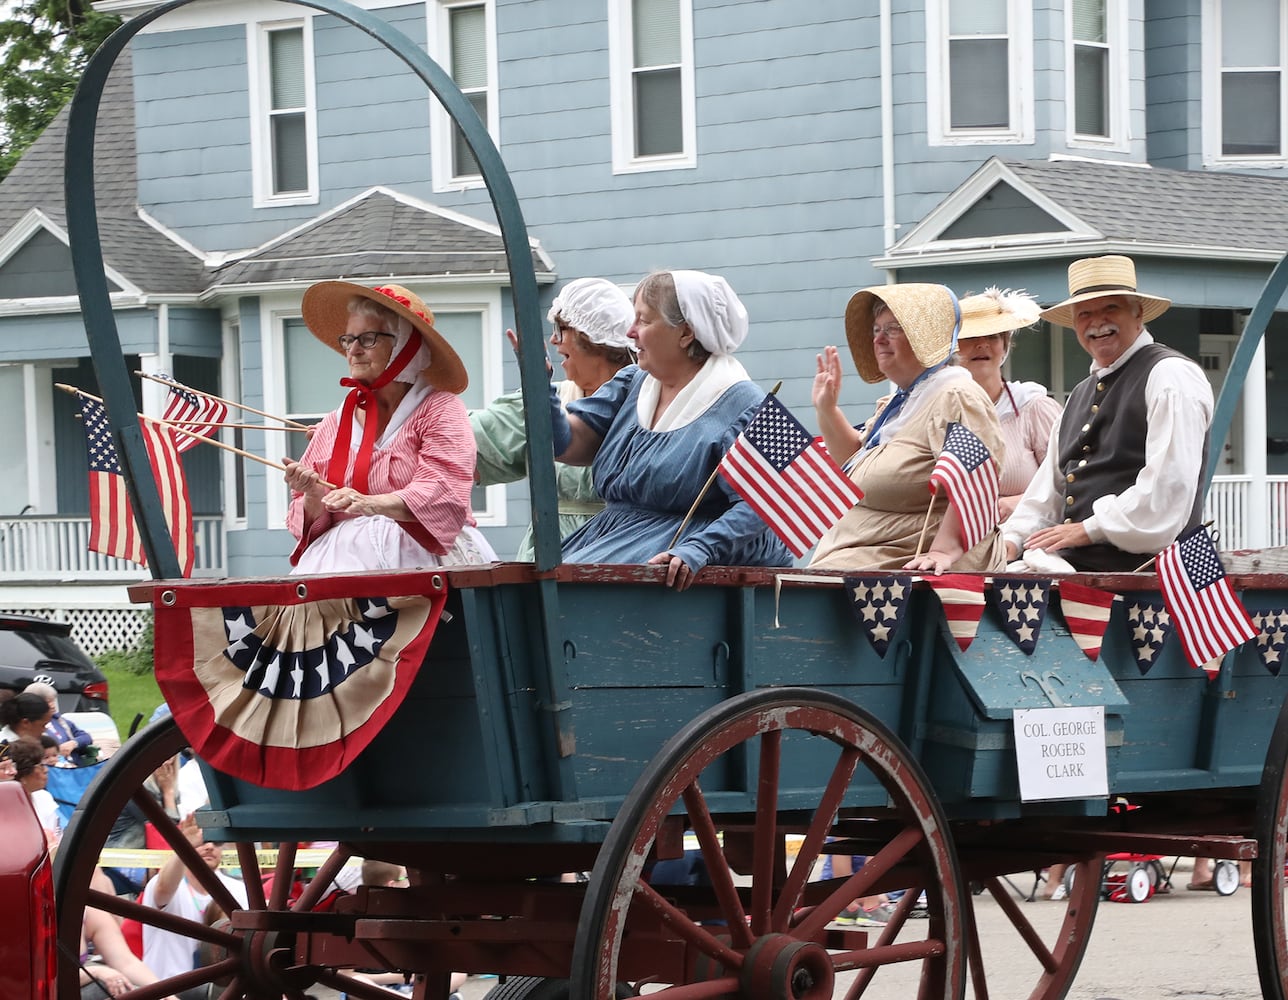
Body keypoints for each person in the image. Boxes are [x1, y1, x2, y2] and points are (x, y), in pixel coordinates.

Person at [553, 270, 792, 589]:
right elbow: (568, 442)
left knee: (567, 595)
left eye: (644, 320)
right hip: (613, 537)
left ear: (686, 333)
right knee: (543, 584)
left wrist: (702, 547)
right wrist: (540, 395)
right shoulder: (632, 384)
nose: (630, 332)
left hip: (680, 556)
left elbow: (775, 499)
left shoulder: (748, 403)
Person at [1003, 255, 1214, 572]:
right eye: (1085, 313)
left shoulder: (1170, 375)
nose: (1097, 322)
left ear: (1138, 314)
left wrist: (1087, 529)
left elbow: (1168, 489)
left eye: (1110, 308)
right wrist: (1012, 541)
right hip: (1082, 571)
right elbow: (1048, 494)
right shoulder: (1079, 394)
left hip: (1148, 580)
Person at [283, 281, 496, 573]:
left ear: (404, 346)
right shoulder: (334, 424)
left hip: (423, 561)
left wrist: (372, 503)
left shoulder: (440, 410)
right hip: (338, 564)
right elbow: (303, 519)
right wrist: (312, 495)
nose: (353, 350)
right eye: (348, 339)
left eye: (367, 338)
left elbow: (444, 491)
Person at [808, 283, 1006, 574]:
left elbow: (976, 473)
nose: (879, 340)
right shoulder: (899, 404)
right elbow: (853, 466)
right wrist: (827, 410)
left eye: (893, 329)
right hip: (860, 561)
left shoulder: (955, 395)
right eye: (876, 330)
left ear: (925, 336)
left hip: (905, 573)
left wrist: (943, 550)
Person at [471, 277, 635, 558]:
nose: (553, 339)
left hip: (617, 553)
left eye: (561, 329)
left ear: (590, 337)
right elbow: (470, 440)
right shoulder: (543, 401)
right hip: (547, 556)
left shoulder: (647, 405)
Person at [956, 288, 1064, 521]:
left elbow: (1068, 483)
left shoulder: (1033, 407)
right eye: (972, 336)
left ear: (1005, 345)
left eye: (993, 336)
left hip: (1026, 541)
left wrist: (1017, 503)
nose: (982, 344)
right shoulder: (939, 414)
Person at [141, 814, 249, 988]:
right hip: (168, 989)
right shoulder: (166, 884)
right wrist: (185, 846)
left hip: (219, 989)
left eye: (217, 841)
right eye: (202, 841)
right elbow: (163, 889)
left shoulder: (238, 890)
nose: (209, 846)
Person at [24, 680, 93, 763]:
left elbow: (86, 737)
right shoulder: (30, 726)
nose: (53, 705)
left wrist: (73, 743)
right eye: (48, 702)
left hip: (76, 768)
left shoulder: (59, 720)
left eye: (53, 701)